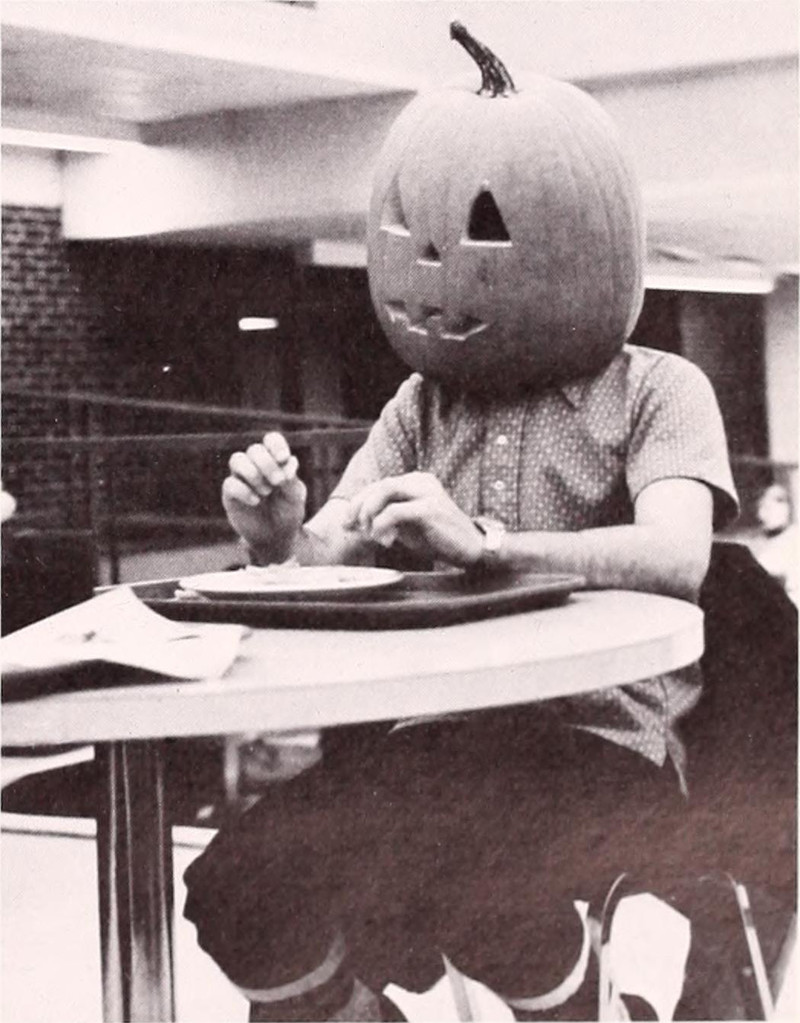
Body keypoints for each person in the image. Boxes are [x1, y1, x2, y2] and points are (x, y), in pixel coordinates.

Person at [183, 26, 738, 1022]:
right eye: (408, 230)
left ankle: (576, 1007)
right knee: (233, 887)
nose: (433, 260)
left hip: (594, 742)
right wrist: (277, 539)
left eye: (482, 226)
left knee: (476, 876)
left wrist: (488, 546)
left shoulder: (661, 391)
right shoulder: (417, 405)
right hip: (430, 741)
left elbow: (676, 554)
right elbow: (330, 550)